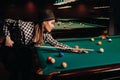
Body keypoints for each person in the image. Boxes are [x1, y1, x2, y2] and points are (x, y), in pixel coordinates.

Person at [2, 9, 87, 80]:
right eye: (52, 23)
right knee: (14, 72)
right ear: (44, 22)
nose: (53, 26)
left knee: (26, 72)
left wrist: (73, 49)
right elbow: (6, 22)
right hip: (11, 48)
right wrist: (7, 37)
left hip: (25, 50)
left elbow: (56, 44)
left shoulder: (46, 35)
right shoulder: (24, 27)